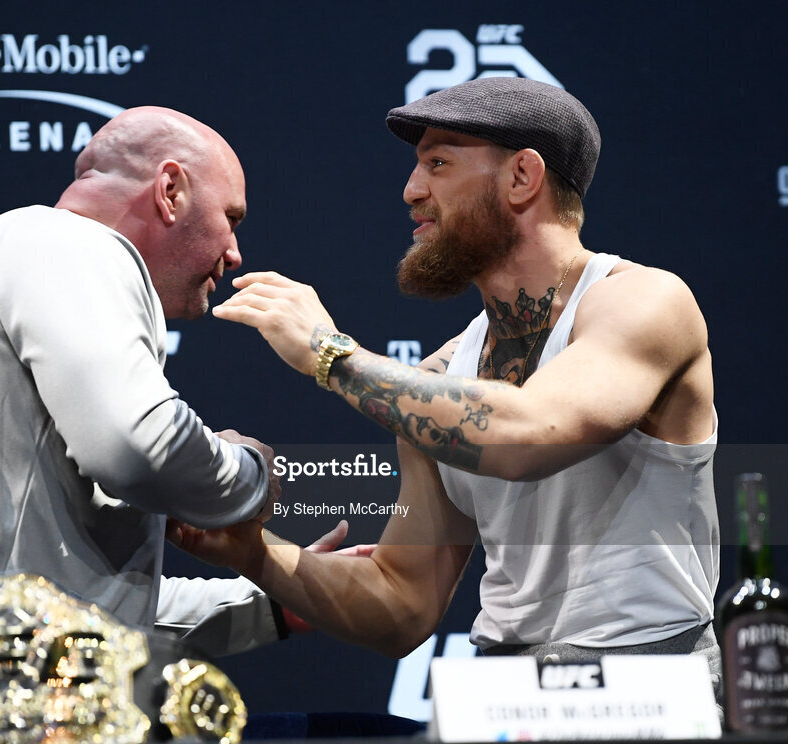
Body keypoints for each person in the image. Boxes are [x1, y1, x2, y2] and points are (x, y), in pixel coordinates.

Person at [174, 77, 721, 683]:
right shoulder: (439, 379)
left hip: (649, 689)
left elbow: (531, 434)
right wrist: (256, 552)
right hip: (507, 694)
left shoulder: (644, 302)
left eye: (438, 162)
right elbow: (402, 605)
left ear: (522, 177)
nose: (411, 190)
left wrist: (331, 356)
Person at [0, 106, 290, 652]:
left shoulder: (42, 260)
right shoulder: (67, 244)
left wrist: (275, 607)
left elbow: (87, 605)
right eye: (232, 217)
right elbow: (140, 448)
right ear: (170, 190)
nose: (234, 253)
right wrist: (251, 476)